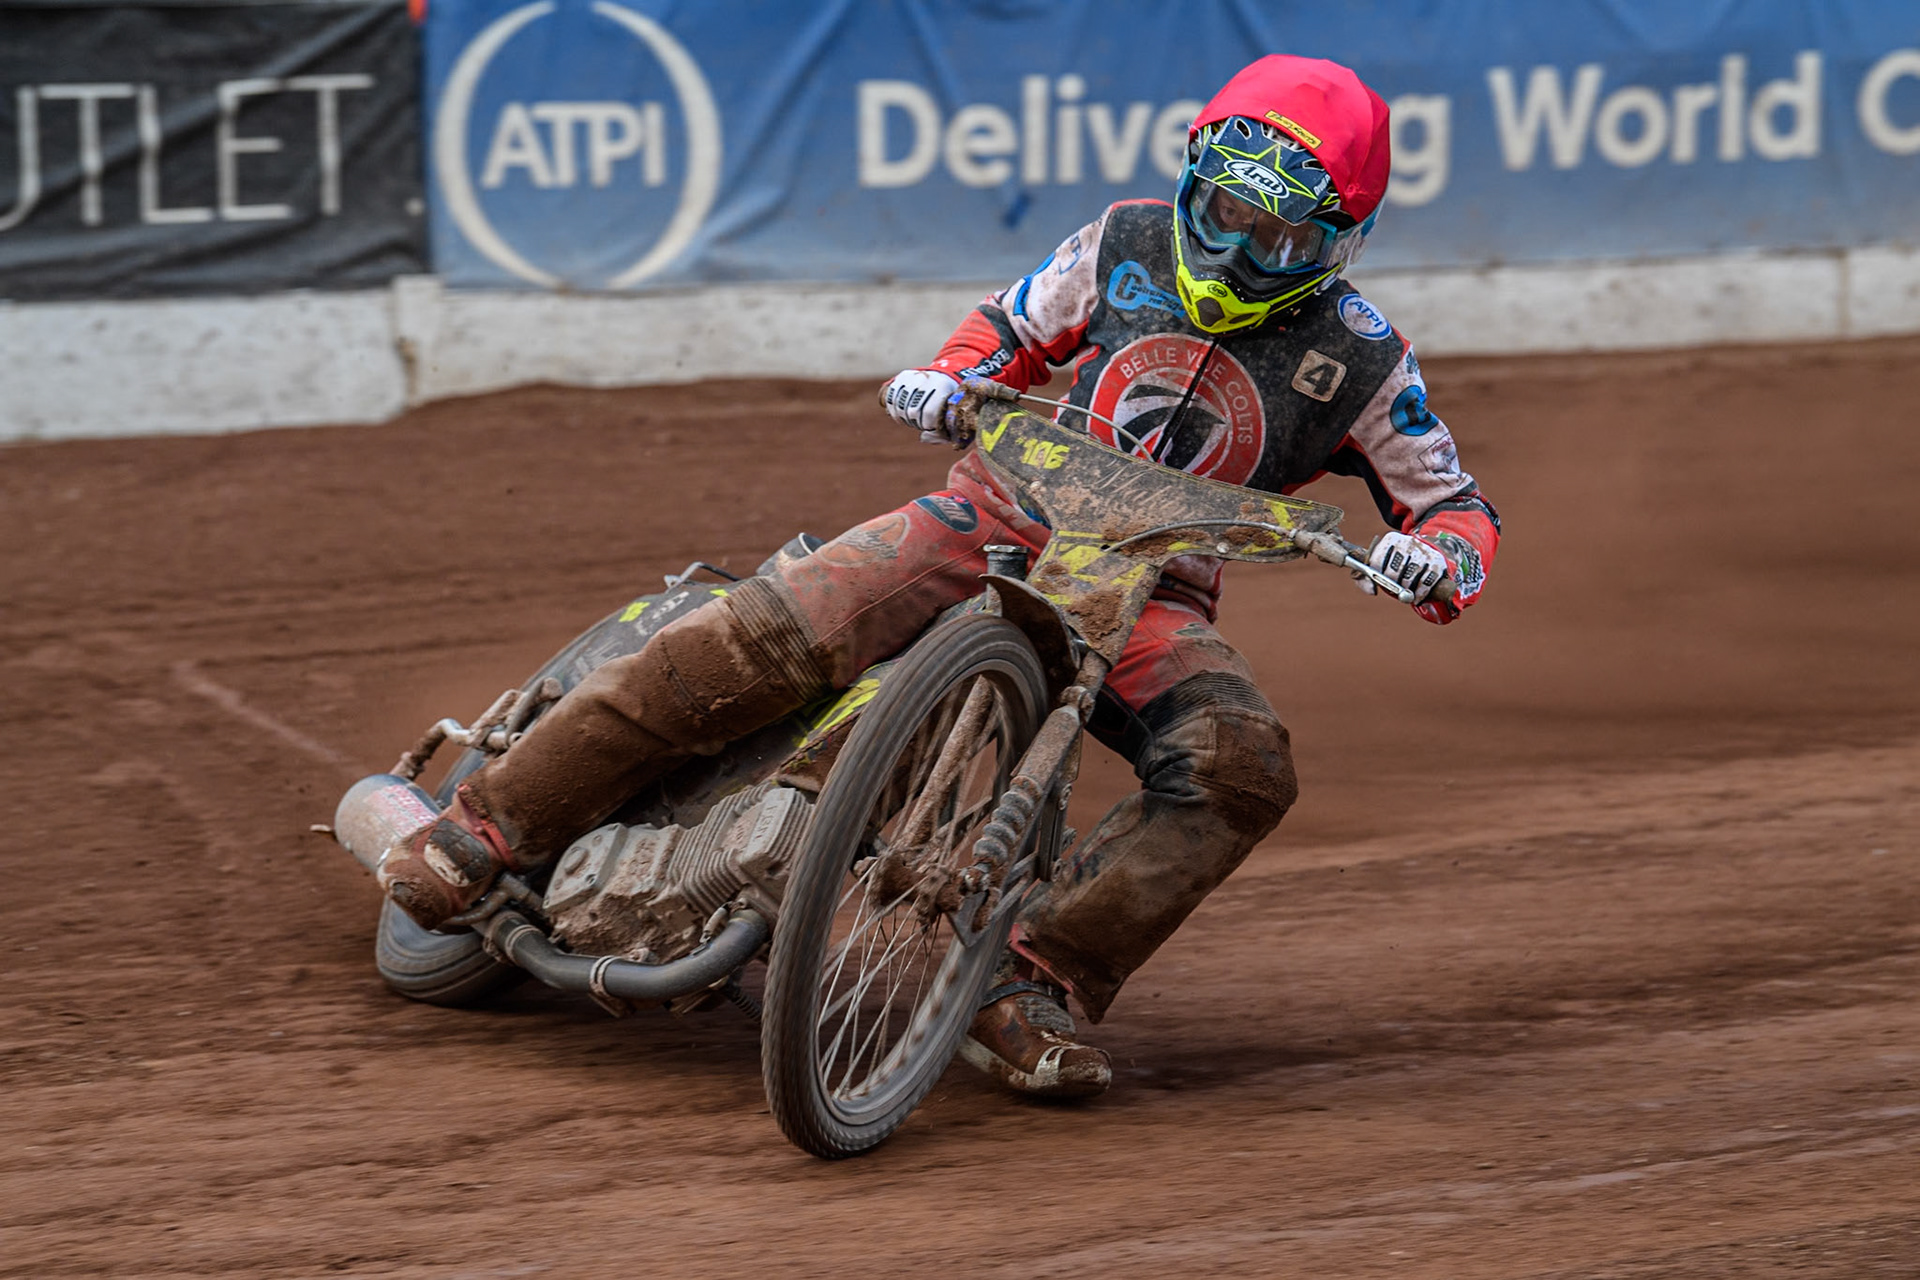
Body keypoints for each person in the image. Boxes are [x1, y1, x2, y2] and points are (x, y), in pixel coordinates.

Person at [378, 54, 1500, 1099]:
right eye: (1223, 215)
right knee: (773, 626)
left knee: (1240, 766)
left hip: (1148, 596)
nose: (1239, 253)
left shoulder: (1360, 359)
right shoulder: (1124, 241)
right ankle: (492, 824)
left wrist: (1436, 559)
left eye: (1278, 239)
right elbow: (1010, 326)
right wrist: (947, 377)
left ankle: (1034, 974)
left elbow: (1453, 504)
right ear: (1191, 184)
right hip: (994, 514)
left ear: (1340, 240)